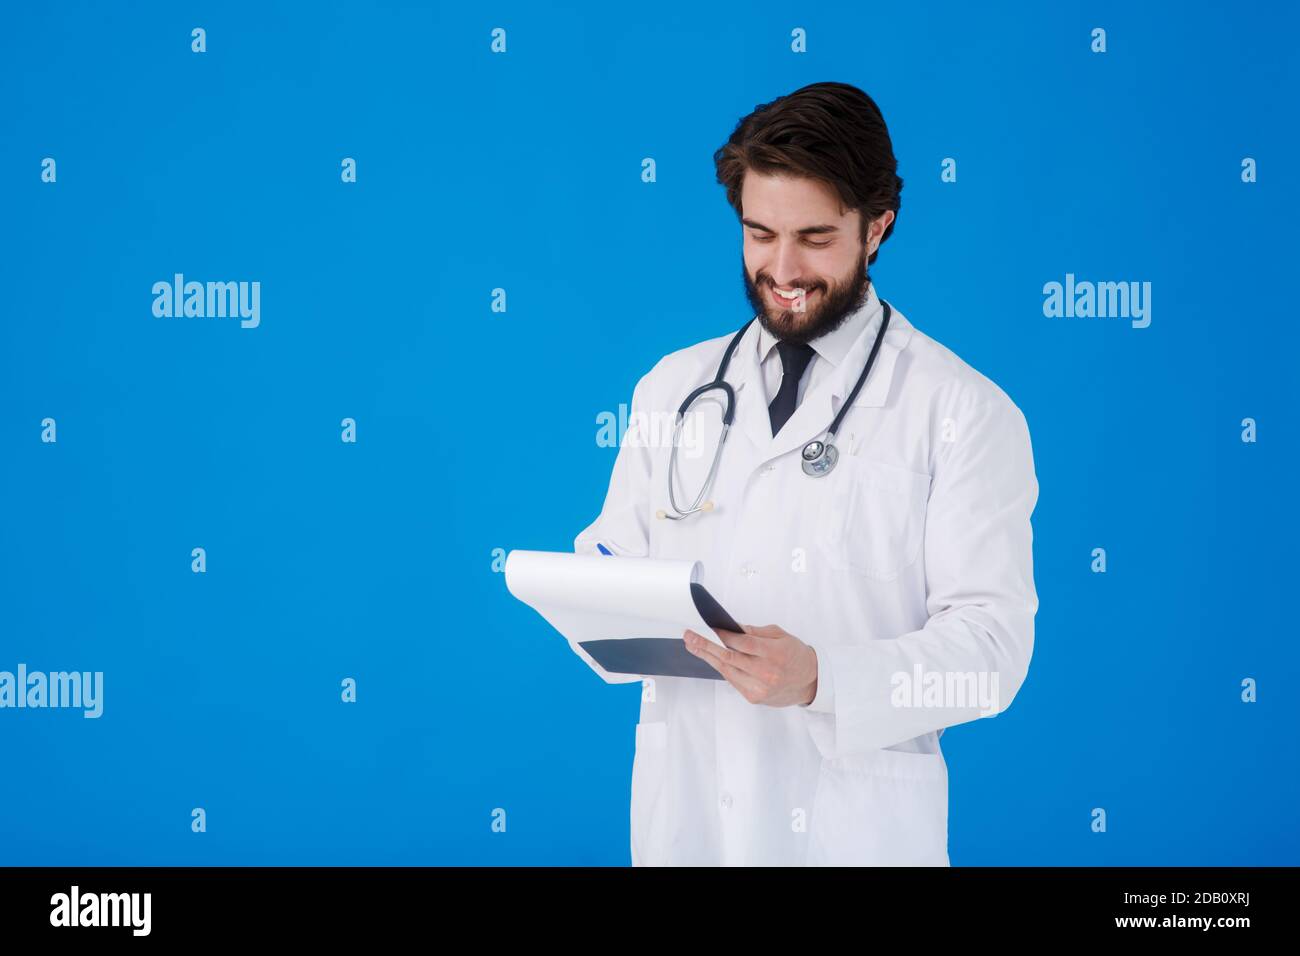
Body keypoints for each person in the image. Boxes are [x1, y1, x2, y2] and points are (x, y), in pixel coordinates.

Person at [572, 81, 1039, 866]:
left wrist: (826, 678)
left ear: (877, 227)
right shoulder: (673, 388)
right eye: (760, 233)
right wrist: (591, 592)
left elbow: (990, 657)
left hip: (854, 832)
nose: (781, 269)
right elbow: (610, 558)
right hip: (690, 820)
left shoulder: (962, 410)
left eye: (815, 238)